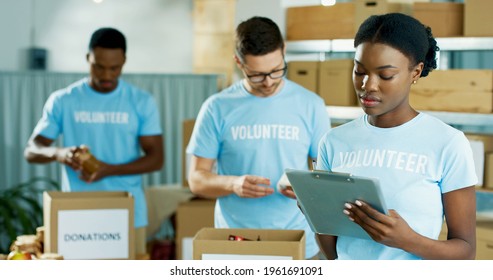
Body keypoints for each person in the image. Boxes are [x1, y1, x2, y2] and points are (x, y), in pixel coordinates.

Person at [316, 13, 477, 260]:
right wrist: (313, 209)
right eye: (359, 71)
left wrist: (408, 241)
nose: (368, 85)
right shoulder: (333, 141)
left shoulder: (448, 143)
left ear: (416, 72)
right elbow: (332, 253)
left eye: (386, 75)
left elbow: (465, 252)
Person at [186, 16, 331, 259]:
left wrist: (306, 188)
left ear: (283, 50)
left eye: (276, 70)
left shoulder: (311, 105)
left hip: (298, 242)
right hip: (235, 244)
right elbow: (196, 180)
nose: (268, 82)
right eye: (257, 74)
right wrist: (232, 184)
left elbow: (327, 175)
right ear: (238, 63)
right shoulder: (216, 107)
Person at [24, 27, 164, 256]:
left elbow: (156, 159)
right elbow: (32, 150)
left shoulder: (140, 101)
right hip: (75, 212)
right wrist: (60, 154)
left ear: (124, 61)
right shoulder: (63, 100)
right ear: (87, 58)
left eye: (114, 68)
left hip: (128, 211)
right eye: (98, 66)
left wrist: (109, 170)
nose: (107, 75)